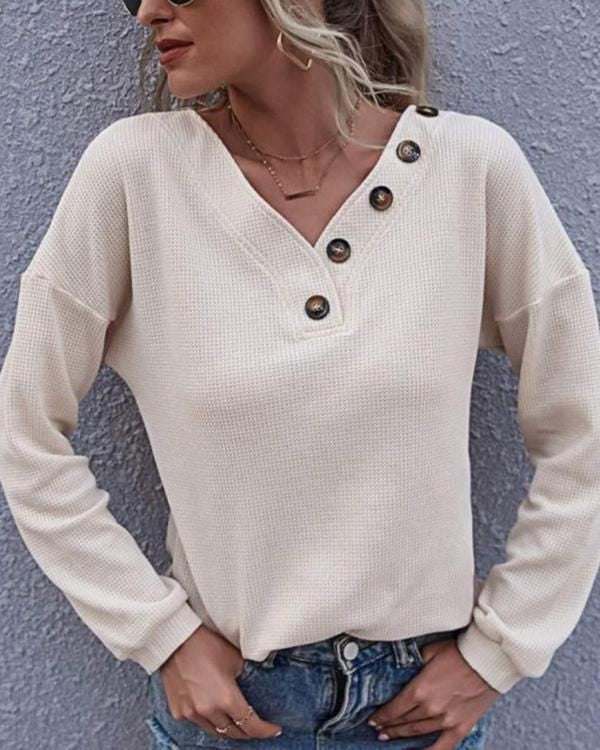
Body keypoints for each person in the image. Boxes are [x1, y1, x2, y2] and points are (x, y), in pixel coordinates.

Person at [1, 1, 599, 748]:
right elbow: (24, 433)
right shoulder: (135, 174)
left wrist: (500, 651)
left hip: (415, 712)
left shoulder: (471, 169)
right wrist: (160, 636)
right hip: (234, 712)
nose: (148, 10)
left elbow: (584, 429)